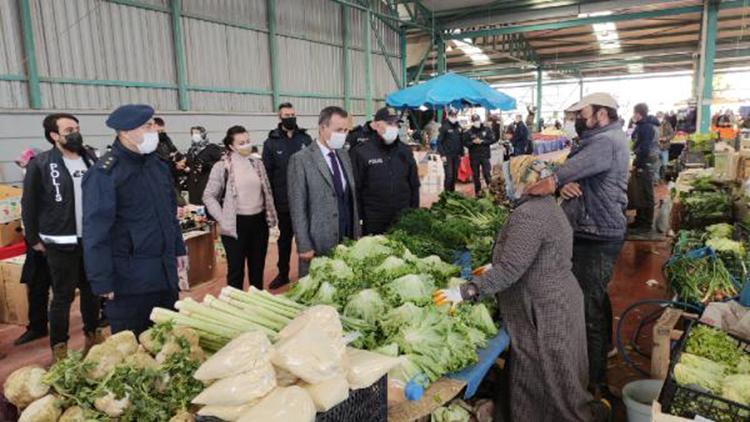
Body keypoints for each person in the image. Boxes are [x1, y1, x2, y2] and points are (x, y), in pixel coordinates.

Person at [434, 156, 607, 422]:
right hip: (558, 299)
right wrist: (497, 263)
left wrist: (465, 291)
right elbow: (530, 255)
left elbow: (510, 270)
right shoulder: (547, 204)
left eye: (510, 178)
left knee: (548, 374)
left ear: (523, 181)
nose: (506, 184)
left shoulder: (530, 215)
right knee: (554, 373)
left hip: (544, 308)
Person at [525, 93, 629, 395]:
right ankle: (604, 351)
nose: (577, 121)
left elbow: (554, 179)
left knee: (587, 308)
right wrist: (570, 183)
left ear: (601, 114)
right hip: (594, 227)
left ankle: (594, 384)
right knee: (597, 296)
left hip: (596, 234)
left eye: (582, 114)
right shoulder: (604, 140)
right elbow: (579, 175)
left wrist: (528, 195)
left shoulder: (604, 142)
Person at [83, 104, 188, 336]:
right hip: (130, 280)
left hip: (164, 273)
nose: (155, 131)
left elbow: (169, 214)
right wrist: (102, 280)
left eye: (153, 125)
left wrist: (178, 249)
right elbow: (96, 231)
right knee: (136, 347)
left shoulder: (157, 165)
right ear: (125, 132)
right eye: (147, 126)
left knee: (169, 342)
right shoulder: (106, 174)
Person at [22, 113, 102, 360]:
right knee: (62, 297)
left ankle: (94, 337)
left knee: (92, 291)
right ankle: (60, 349)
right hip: (59, 242)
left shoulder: (90, 159)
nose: (75, 133)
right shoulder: (42, 164)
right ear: (54, 136)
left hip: (89, 239)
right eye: (69, 130)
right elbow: (29, 204)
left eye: (77, 128)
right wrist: (33, 238)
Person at [288, 106, 361, 277]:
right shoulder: (301, 160)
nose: (343, 134)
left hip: (347, 237)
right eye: (338, 130)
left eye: (345, 130)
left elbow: (349, 197)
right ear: (322, 127)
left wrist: (356, 232)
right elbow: (297, 207)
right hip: (319, 241)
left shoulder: (344, 155)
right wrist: (304, 245)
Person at [204, 126, 277, 291]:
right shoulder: (221, 167)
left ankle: (256, 304)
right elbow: (209, 196)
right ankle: (235, 306)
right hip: (235, 224)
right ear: (231, 146)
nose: (246, 145)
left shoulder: (257, 164)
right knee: (236, 271)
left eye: (248, 141)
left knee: (257, 269)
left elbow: (267, 191)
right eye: (241, 143)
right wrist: (222, 218)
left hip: (259, 223)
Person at [262, 102, 313, 289]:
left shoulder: (305, 139)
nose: (290, 117)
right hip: (283, 201)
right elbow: (267, 174)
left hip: (306, 200)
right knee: (284, 240)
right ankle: (283, 273)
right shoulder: (271, 143)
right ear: (279, 117)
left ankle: (308, 273)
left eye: (292, 113)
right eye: (286, 115)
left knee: (306, 238)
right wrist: (271, 201)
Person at [350, 107, 420, 235]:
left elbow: (414, 184)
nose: (393, 127)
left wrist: (414, 212)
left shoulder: (405, 151)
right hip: (374, 219)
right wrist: (358, 218)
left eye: (395, 124)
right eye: (388, 123)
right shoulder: (361, 152)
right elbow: (356, 189)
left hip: (402, 217)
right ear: (376, 125)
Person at [13, 148, 51, 346]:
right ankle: (37, 326)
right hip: (34, 243)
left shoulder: (51, 182)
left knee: (69, 285)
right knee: (36, 284)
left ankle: (92, 322)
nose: (25, 169)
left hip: (52, 241)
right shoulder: (28, 183)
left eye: (28, 165)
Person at [630, 103, 660, 231]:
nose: (633, 115)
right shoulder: (645, 125)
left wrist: (639, 164)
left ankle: (646, 224)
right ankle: (639, 220)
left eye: (634, 112)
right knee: (640, 192)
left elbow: (645, 148)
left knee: (646, 193)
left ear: (638, 113)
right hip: (646, 161)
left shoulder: (646, 127)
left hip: (646, 163)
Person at [185, 126, 222, 205]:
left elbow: (220, 163)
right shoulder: (191, 150)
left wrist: (206, 165)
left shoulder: (212, 148)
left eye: (197, 133)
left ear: (203, 134)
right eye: (192, 133)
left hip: (206, 182)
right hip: (193, 185)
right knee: (195, 209)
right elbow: (190, 164)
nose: (194, 135)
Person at [464, 114, 497, 196]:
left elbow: (493, 139)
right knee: (476, 176)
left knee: (487, 174)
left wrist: (482, 141)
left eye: (477, 120)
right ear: (472, 122)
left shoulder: (487, 129)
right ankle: (478, 193)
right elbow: (465, 142)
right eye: (474, 121)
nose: (476, 122)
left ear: (480, 120)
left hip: (485, 156)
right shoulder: (469, 132)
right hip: (474, 157)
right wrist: (472, 142)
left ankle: (492, 192)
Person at [437, 109, 464, 192]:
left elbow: (461, 140)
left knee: (455, 176)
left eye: (455, 116)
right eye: (452, 116)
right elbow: (439, 142)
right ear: (448, 116)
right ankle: (446, 194)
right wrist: (442, 155)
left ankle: (452, 193)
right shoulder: (444, 127)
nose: (454, 117)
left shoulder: (459, 127)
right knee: (449, 176)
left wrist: (462, 153)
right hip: (447, 156)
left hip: (456, 155)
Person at [657, 111, 675, 181]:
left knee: (664, 164)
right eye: (658, 117)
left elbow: (672, 134)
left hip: (665, 147)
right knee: (657, 165)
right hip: (657, 147)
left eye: (660, 117)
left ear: (663, 117)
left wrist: (666, 138)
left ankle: (662, 178)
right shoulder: (654, 125)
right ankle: (657, 180)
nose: (659, 118)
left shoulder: (667, 124)